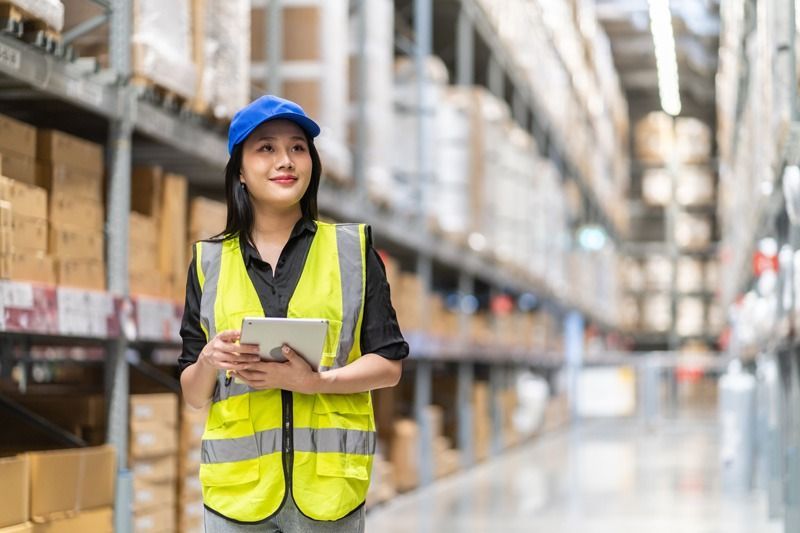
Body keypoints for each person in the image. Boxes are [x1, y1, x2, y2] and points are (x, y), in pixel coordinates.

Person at [179, 95, 408, 532]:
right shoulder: (208, 262)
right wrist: (209, 360)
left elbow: (389, 364)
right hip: (238, 497)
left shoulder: (353, 251)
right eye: (266, 148)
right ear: (240, 172)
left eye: (297, 148)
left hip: (328, 493)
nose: (285, 160)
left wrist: (315, 382)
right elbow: (193, 395)